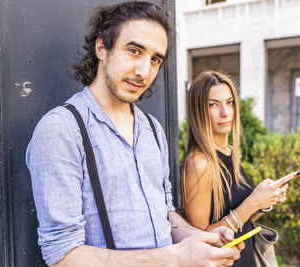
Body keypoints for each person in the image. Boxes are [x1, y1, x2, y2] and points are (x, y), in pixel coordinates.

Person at [26, 2, 243, 267]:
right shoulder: (61, 130)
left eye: (155, 59)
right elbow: (63, 256)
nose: (144, 71)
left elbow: (165, 214)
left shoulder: (152, 129)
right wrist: (175, 258)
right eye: (133, 51)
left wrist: (201, 239)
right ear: (102, 48)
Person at [182, 71, 291, 266]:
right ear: (199, 110)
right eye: (213, 105)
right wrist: (253, 201)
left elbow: (242, 218)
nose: (225, 112)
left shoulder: (230, 153)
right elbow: (199, 241)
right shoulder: (199, 162)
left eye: (230, 102)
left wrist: (265, 202)